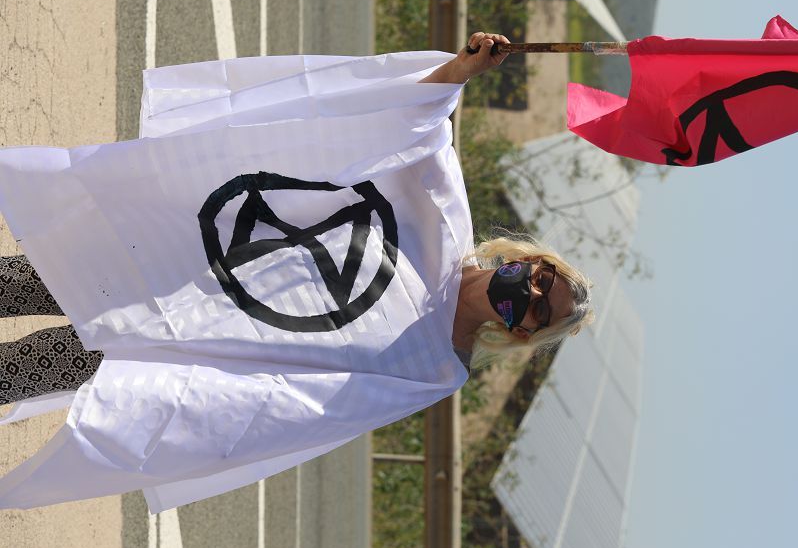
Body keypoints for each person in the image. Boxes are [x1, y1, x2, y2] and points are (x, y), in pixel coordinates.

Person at [0, 32, 593, 512]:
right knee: (23, 281)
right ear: (527, 259)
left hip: (193, 343)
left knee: (27, 370)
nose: (533, 293)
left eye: (542, 310)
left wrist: (206, 402)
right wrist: (462, 71)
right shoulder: (442, 219)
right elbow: (406, 125)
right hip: (174, 261)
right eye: (542, 278)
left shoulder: (438, 368)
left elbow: (317, 407)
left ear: (523, 334)